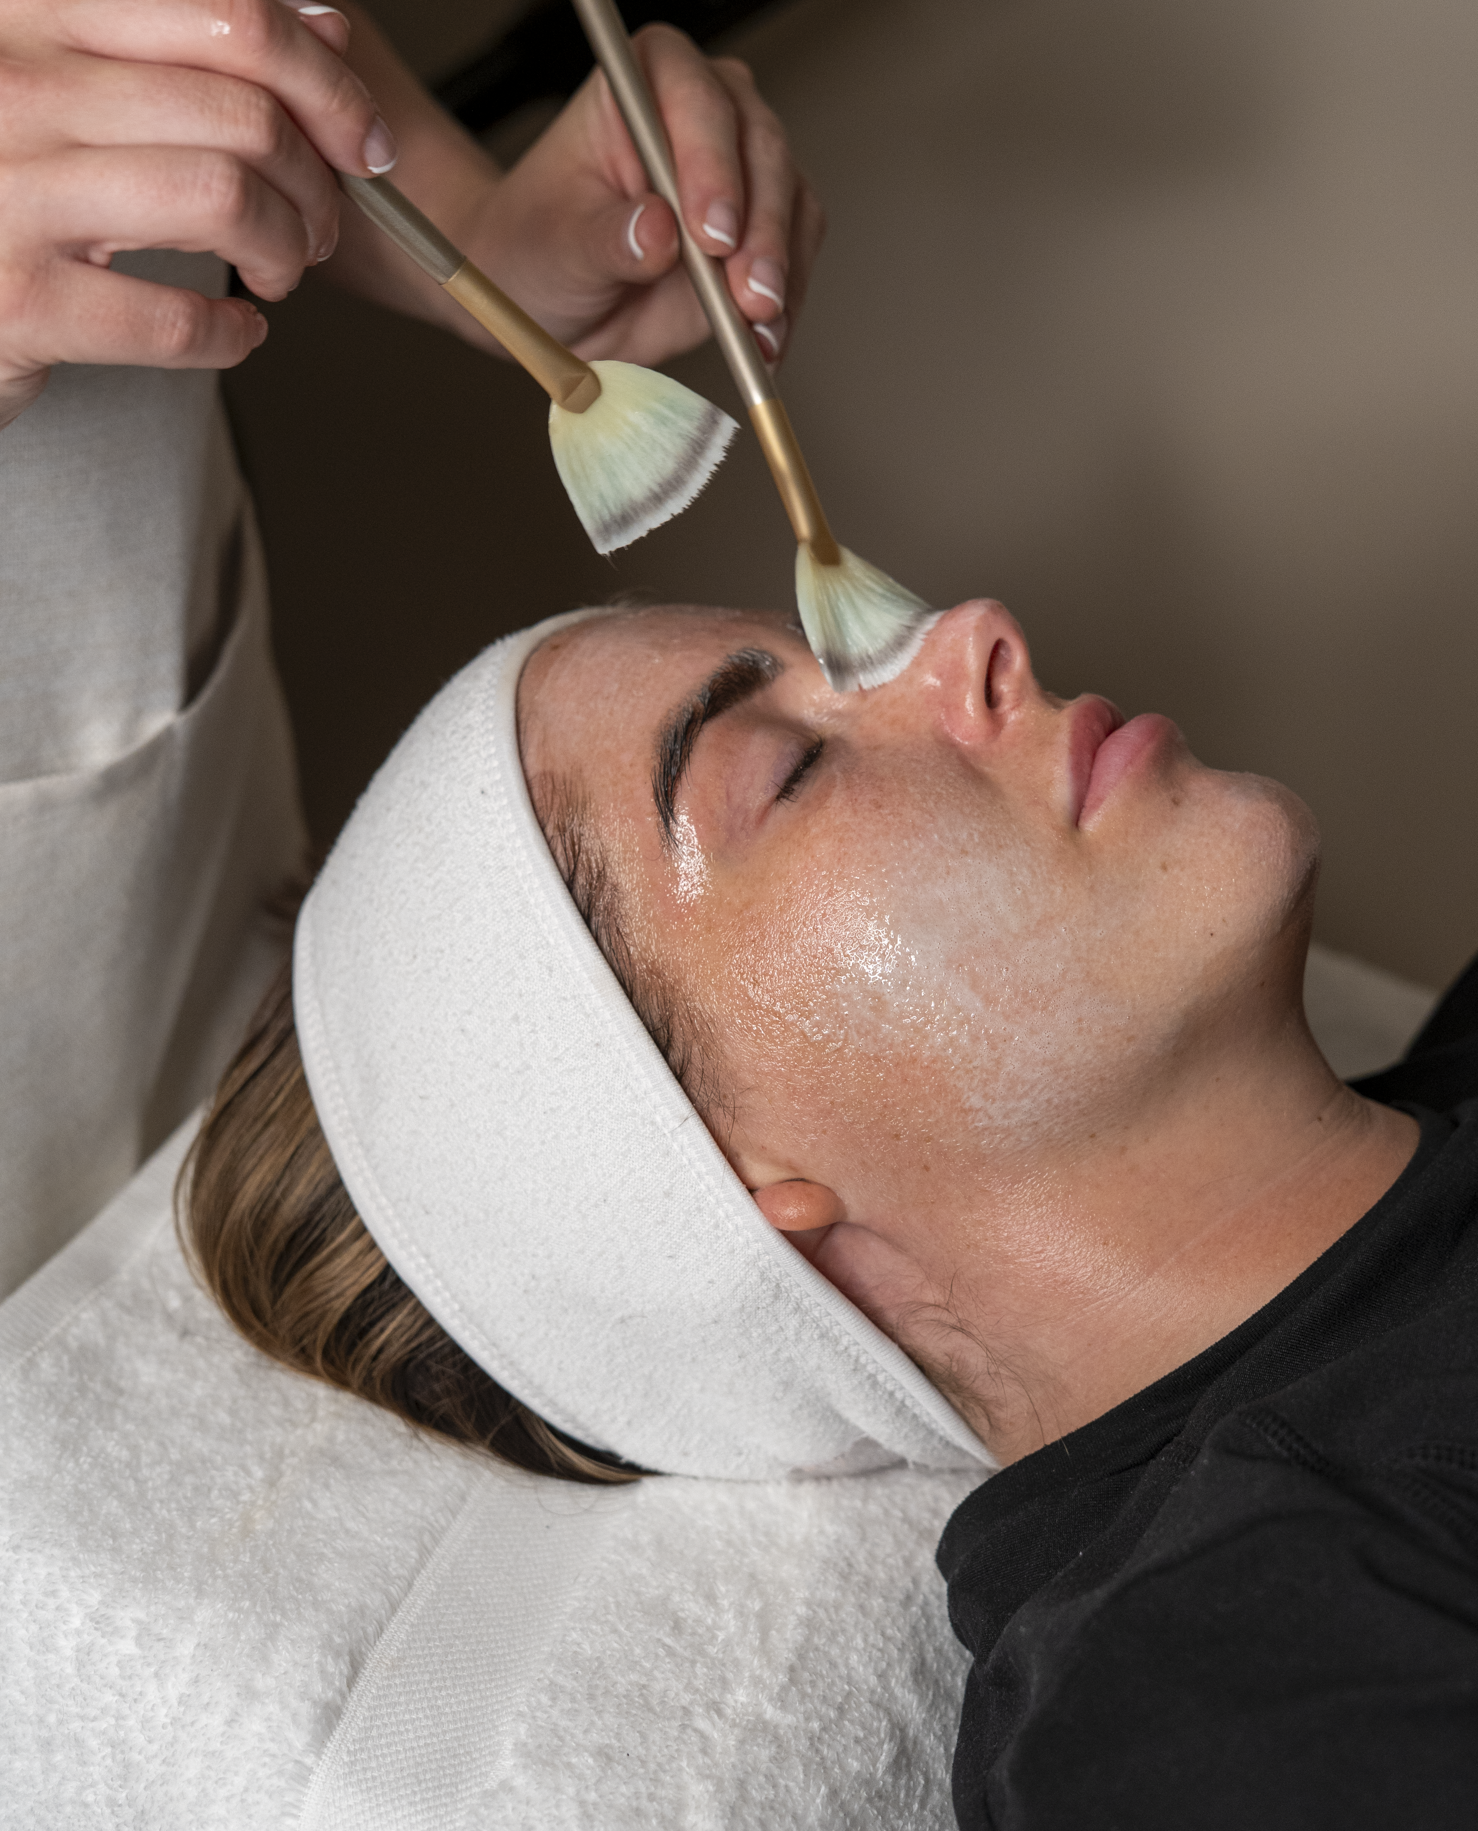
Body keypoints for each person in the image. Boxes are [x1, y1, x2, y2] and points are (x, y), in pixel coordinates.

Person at [182, 595, 1478, 1827]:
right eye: (790, 767)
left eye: (855, 651)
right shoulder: (1235, 1692)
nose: (974, 631)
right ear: (725, 1188)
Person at [0, 0, 821, 1298]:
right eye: (785, 773)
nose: (987, 643)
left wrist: (470, 233)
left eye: (798, 761)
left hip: (151, 723)